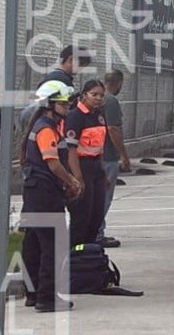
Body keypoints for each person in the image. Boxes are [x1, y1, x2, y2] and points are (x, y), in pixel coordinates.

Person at [20, 81, 83, 312]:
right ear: (49, 104)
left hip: (35, 192)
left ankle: (33, 293)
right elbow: (54, 164)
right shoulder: (46, 129)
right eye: (63, 103)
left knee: (34, 243)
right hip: (44, 193)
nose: (67, 107)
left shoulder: (43, 125)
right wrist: (72, 181)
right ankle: (47, 298)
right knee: (53, 245)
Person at [64, 79, 109, 247]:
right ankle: (71, 257)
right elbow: (71, 150)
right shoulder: (76, 116)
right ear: (84, 95)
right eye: (94, 95)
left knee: (96, 217)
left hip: (96, 168)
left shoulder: (99, 115)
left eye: (101, 96)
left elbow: (100, 146)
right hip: (81, 167)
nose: (98, 99)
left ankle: (88, 256)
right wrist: (78, 178)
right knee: (81, 219)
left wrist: (103, 172)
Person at [97, 70, 131, 248]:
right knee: (104, 197)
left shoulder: (98, 98)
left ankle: (95, 231)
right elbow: (113, 129)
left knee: (98, 196)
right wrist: (124, 155)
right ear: (118, 83)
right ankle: (97, 233)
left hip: (96, 154)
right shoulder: (110, 101)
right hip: (108, 156)